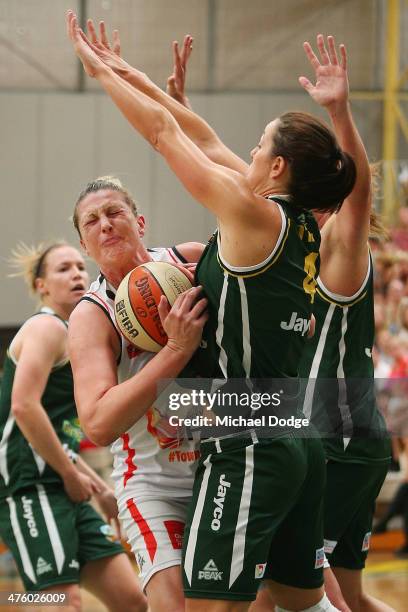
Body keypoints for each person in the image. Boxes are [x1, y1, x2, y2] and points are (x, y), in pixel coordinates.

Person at [67, 12, 357, 611]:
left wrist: (98, 69)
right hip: (286, 429)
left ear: (276, 169)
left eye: (257, 145)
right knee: (310, 603)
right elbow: (194, 132)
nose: (243, 151)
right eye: (90, 223)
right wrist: (129, 71)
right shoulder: (293, 222)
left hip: (248, 441)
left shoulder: (249, 219)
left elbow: (166, 136)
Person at [68, 175, 208, 612]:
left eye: (114, 212)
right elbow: (98, 422)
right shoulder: (92, 316)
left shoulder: (194, 261)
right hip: (153, 483)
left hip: (225, 464)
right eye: (91, 221)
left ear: (140, 222)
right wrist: (177, 349)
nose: (105, 225)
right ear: (85, 245)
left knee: (269, 599)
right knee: (173, 605)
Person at [296, 37, 394, 612]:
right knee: (352, 594)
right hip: (349, 437)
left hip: (340, 440)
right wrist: (167, 102)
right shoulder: (297, 241)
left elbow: (357, 196)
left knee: (301, 582)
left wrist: (338, 111)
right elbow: (216, 159)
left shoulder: (339, 242)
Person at [0, 242, 147, 612]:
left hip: (58, 479)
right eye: (63, 269)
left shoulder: (77, 333)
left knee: (132, 602)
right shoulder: (45, 327)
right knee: (59, 601)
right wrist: (70, 474)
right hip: (28, 485)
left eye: (81, 267)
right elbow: (23, 406)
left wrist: (95, 487)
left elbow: (56, 430)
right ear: (41, 285)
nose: (78, 274)